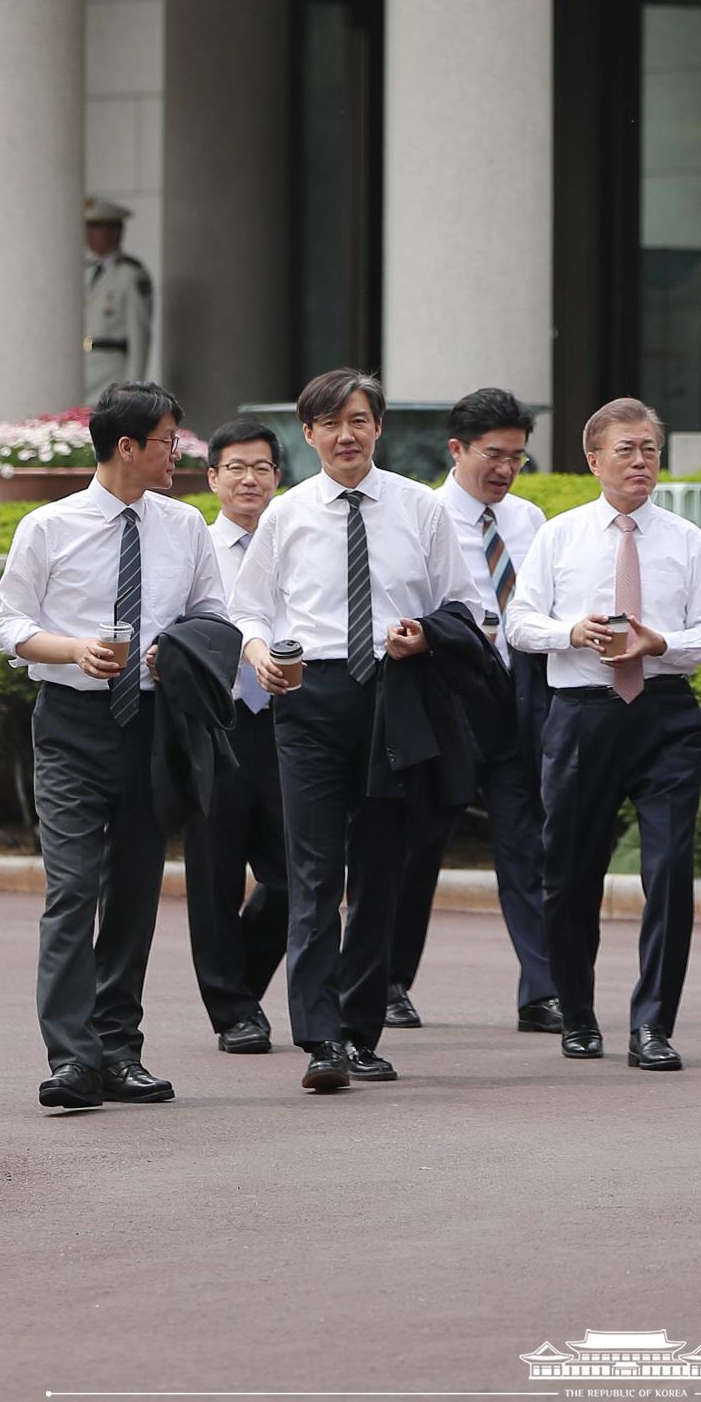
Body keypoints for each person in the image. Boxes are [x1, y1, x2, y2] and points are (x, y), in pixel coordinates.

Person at [230, 368, 483, 1094]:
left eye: (361, 420)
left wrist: (422, 637)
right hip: (310, 696)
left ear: (379, 428)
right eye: (331, 422)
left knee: (381, 873)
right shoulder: (285, 514)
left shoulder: (419, 508)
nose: (347, 434)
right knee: (312, 874)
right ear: (307, 434)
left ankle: (360, 1032)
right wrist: (258, 656)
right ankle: (319, 1040)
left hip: (395, 694)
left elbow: (464, 608)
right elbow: (249, 611)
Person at [0, 379, 225, 1113]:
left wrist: (173, 653)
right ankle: (72, 1059)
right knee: (72, 891)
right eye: (166, 443)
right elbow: (7, 623)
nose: (175, 456)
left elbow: (214, 615)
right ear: (127, 446)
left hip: (152, 729)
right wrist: (70, 651)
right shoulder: (48, 528)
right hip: (69, 724)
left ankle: (120, 1053)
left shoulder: (186, 526)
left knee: (133, 895)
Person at [508, 396, 701, 1070]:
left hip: (664, 713)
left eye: (650, 450)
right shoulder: (560, 535)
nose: (640, 462)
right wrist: (569, 632)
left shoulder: (687, 540)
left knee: (668, 871)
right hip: (581, 714)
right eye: (627, 450)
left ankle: (653, 1025)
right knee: (570, 873)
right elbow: (519, 623)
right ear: (594, 459)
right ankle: (577, 1014)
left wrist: (661, 642)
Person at [386, 387, 561, 1036]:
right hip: (443, 698)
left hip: (516, 699)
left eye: (518, 456)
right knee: (418, 847)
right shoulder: (418, 516)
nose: (507, 469)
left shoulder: (530, 519)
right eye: (495, 454)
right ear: (455, 449)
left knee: (526, 847)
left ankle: (541, 991)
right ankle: (388, 982)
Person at [184, 418, 291, 1055]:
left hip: (289, 721)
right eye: (236, 468)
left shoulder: (299, 537)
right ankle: (233, 1013)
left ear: (279, 477)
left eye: (262, 468)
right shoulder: (191, 545)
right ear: (214, 478)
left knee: (297, 876)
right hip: (216, 726)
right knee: (215, 875)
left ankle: (241, 984)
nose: (249, 479)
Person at [83, 196, 153, 400]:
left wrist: (133, 388)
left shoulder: (130, 274)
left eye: (97, 228)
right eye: (89, 227)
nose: (89, 234)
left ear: (116, 232)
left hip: (111, 370)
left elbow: (139, 335)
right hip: (79, 368)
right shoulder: (82, 271)